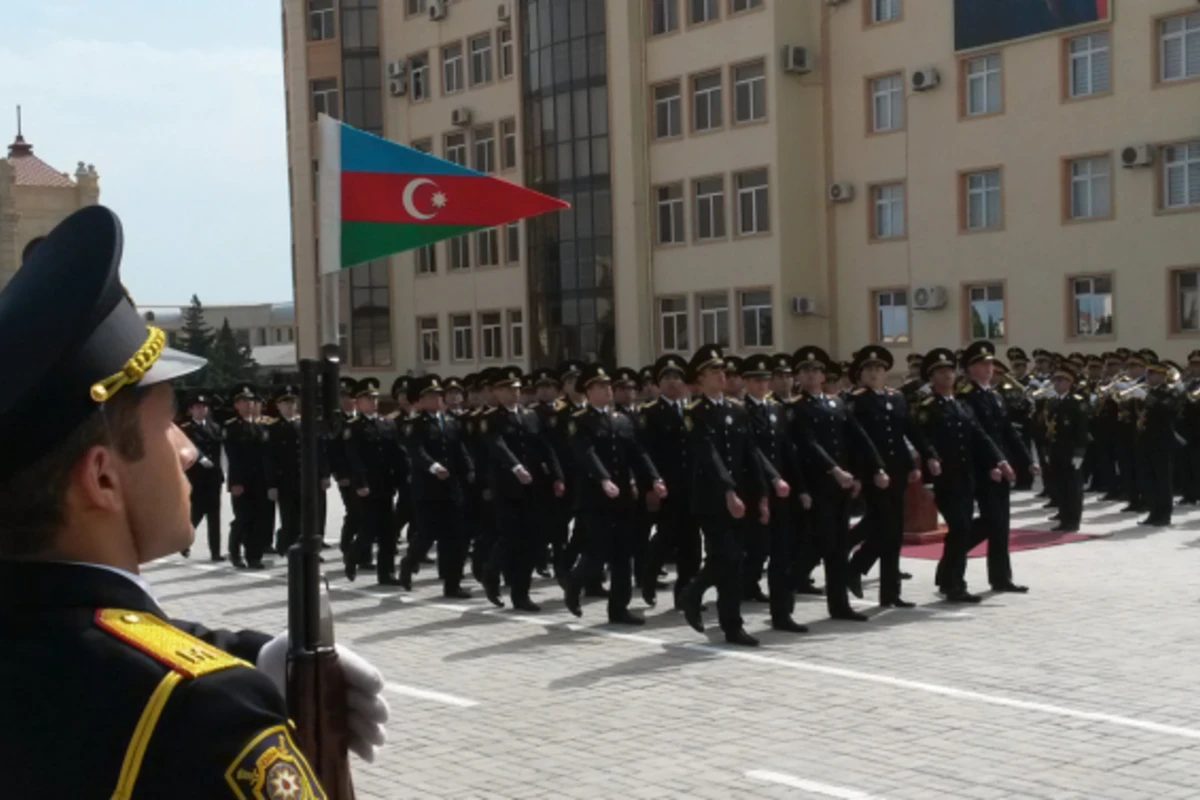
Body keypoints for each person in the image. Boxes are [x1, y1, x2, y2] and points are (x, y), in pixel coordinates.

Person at [0, 205, 389, 797]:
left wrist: (255, 658)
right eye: (166, 427)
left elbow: (71, 640)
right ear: (102, 479)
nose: (185, 451)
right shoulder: (204, 714)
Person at [563, 364, 666, 624]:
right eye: (600, 386)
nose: (608, 389)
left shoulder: (620, 420)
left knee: (623, 554)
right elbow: (586, 453)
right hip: (593, 498)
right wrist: (603, 479)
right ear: (588, 391)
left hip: (622, 498)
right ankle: (575, 583)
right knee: (598, 550)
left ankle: (618, 609)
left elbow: (637, 452)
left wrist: (654, 478)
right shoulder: (579, 421)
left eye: (608, 385)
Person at [680, 346, 767, 646]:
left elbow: (750, 454)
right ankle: (726, 619)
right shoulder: (694, 413)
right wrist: (728, 490)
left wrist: (762, 495)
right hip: (711, 499)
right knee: (727, 557)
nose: (721, 376)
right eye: (713, 372)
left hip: (740, 498)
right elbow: (708, 455)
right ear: (700, 379)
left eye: (723, 371)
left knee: (732, 560)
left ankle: (702, 600)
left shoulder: (737, 409)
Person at [790, 347, 884, 621]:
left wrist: (870, 469)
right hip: (817, 483)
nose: (811, 375)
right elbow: (809, 445)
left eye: (816, 371)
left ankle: (839, 605)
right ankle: (785, 591)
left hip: (841, 485)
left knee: (839, 546)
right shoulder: (797, 407)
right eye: (805, 371)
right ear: (799, 376)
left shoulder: (837, 404)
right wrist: (835, 470)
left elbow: (857, 439)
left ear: (823, 375)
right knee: (821, 543)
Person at [916, 349, 1010, 603]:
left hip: (967, 478)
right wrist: (931, 460)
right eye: (940, 372)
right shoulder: (928, 408)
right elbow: (922, 438)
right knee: (959, 528)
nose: (946, 375)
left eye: (949, 370)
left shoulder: (962, 406)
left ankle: (950, 579)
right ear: (931, 377)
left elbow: (980, 437)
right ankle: (954, 583)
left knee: (963, 529)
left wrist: (999, 461)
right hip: (945, 479)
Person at [846, 347, 928, 608]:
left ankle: (890, 593)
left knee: (894, 534)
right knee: (885, 529)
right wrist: (868, 472)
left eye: (879, 369)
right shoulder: (856, 401)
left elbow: (903, 433)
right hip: (873, 474)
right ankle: (855, 567)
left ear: (886, 373)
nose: (874, 373)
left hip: (897, 472)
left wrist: (913, 463)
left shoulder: (897, 398)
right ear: (861, 374)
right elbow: (857, 442)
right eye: (869, 370)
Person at [482, 367, 565, 611]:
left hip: (533, 487)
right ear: (497, 392)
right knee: (509, 538)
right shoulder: (490, 418)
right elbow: (497, 446)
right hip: (506, 488)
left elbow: (545, 447)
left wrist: (557, 476)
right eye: (507, 389)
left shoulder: (530, 416)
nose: (513, 393)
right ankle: (491, 573)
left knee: (530, 541)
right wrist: (515, 467)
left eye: (516, 389)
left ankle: (521, 595)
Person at [957, 341, 1035, 593]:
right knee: (992, 521)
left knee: (1000, 523)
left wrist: (1027, 459)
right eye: (982, 364)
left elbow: (1007, 431)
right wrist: (992, 463)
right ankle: (952, 558)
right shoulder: (966, 396)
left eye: (990, 363)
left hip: (1001, 465)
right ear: (970, 369)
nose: (989, 368)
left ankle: (1001, 578)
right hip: (982, 467)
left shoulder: (995, 395)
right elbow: (975, 435)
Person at [740, 355, 810, 632]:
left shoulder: (776, 409)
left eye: (764, 379)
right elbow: (751, 452)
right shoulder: (739, 411)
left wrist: (801, 488)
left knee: (783, 554)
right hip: (753, 490)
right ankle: (722, 603)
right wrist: (772, 478)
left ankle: (782, 614)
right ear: (745, 382)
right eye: (755, 380)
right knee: (751, 551)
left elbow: (787, 451)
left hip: (780, 493)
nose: (761, 384)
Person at [399, 375, 475, 597]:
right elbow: (416, 451)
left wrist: (469, 469)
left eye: (438, 395)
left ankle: (452, 585)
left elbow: (459, 449)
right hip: (428, 489)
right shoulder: (415, 424)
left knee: (456, 538)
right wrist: (433, 467)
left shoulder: (450, 422)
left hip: (451, 488)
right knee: (426, 535)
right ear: (420, 400)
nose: (437, 399)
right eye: (431, 396)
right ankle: (409, 562)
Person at [639, 355, 699, 609]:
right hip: (665, 487)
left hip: (692, 487)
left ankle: (684, 594)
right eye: (667, 378)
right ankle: (648, 579)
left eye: (677, 378)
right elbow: (644, 452)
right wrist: (651, 484)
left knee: (692, 544)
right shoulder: (650, 414)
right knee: (665, 538)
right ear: (658, 384)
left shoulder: (693, 412)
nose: (673, 383)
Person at [344, 377, 409, 585]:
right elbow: (353, 458)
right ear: (358, 402)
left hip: (386, 484)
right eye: (367, 398)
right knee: (369, 528)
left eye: (374, 398)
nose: (372, 402)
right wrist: (361, 483)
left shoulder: (387, 423)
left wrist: (404, 479)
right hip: (367, 486)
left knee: (388, 531)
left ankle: (386, 573)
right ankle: (353, 556)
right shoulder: (353, 427)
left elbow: (398, 453)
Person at [265, 385, 330, 556]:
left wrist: (324, 475)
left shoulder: (308, 424)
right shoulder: (273, 429)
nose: (289, 406)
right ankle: (291, 548)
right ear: (278, 405)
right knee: (290, 518)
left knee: (312, 517)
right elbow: (270, 459)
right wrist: (271, 484)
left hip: (309, 479)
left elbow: (320, 452)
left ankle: (311, 551)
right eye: (285, 402)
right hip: (286, 480)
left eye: (292, 402)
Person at [224, 384, 274, 569]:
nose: (249, 405)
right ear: (236, 405)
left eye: (251, 401)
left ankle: (254, 556)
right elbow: (233, 458)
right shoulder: (232, 428)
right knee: (243, 518)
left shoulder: (265, 425)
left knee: (261, 518)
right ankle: (235, 552)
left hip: (262, 480)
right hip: (242, 481)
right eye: (243, 401)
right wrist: (235, 482)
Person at [1130, 360, 1183, 527]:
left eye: (1153, 374)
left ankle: (1164, 514)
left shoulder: (1170, 392)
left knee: (1162, 480)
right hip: (1144, 440)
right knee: (1148, 479)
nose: (1149, 377)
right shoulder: (1145, 391)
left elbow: (1167, 411)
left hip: (1161, 442)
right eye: (1148, 373)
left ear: (1162, 375)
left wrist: (1147, 398)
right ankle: (1153, 512)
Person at [180, 391, 225, 561]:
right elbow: (187, 448)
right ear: (191, 410)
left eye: (203, 407)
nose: (200, 410)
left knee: (215, 516)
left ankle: (216, 552)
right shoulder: (185, 429)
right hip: (196, 477)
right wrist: (200, 458)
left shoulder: (215, 427)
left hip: (214, 477)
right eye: (197, 407)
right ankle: (185, 541)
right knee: (196, 513)